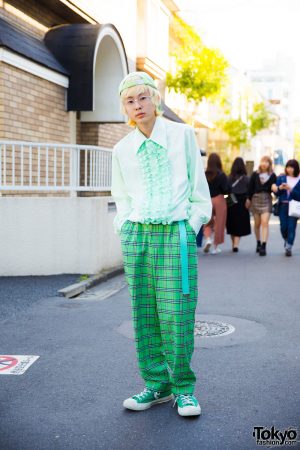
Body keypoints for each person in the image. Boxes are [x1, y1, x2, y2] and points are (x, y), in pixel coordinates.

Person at [111, 72, 212, 417]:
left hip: (175, 234)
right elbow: (121, 199)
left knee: (177, 314)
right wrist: (124, 228)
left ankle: (183, 388)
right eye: (129, 100)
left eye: (142, 97)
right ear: (124, 107)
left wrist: (190, 226)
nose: (137, 105)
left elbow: (200, 194)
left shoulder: (183, 135)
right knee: (144, 315)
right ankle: (156, 385)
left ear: (155, 99)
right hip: (138, 235)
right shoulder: (121, 149)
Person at [247, 156, 277, 256]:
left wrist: (275, 187)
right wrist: (248, 199)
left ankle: (264, 246)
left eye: (266, 162)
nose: (264, 163)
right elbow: (250, 188)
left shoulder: (272, 175)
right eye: (262, 161)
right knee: (257, 224)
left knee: (265, 223)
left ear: (269, 164)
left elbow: (275, 188)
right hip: (255, 199)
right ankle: (258, 242)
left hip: (267, 199)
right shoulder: (255, 174)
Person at [202, 153, 230, 254]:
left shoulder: (204, 174)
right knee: (219, 223)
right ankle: (215, 247)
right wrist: (226, 196)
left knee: (207, 222)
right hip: (219, 199)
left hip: (207, 200)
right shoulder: (222, 175)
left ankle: (208, 238)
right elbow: (226, 189)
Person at [271, 159, 300, 256]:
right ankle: (287, 240)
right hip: (283, 205)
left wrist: (291, 190)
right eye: (288, 167)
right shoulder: (282, 178)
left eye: (292, 167)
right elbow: (276, 192)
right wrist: (280, 188)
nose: (289, 169)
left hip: (294, 206)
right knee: (283, 227)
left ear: (296, 168)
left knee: (291, 227)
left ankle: (289, 247)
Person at [226, 157, 251, 252]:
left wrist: (227, 200)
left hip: (231, 201)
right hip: (242, 202)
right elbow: (249, 191)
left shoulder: (229, 178)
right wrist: (248, 200)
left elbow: (225, 191)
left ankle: (234, 244)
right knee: (240, 224)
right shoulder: (247, 178)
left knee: (232, 224)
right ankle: (235, 244)